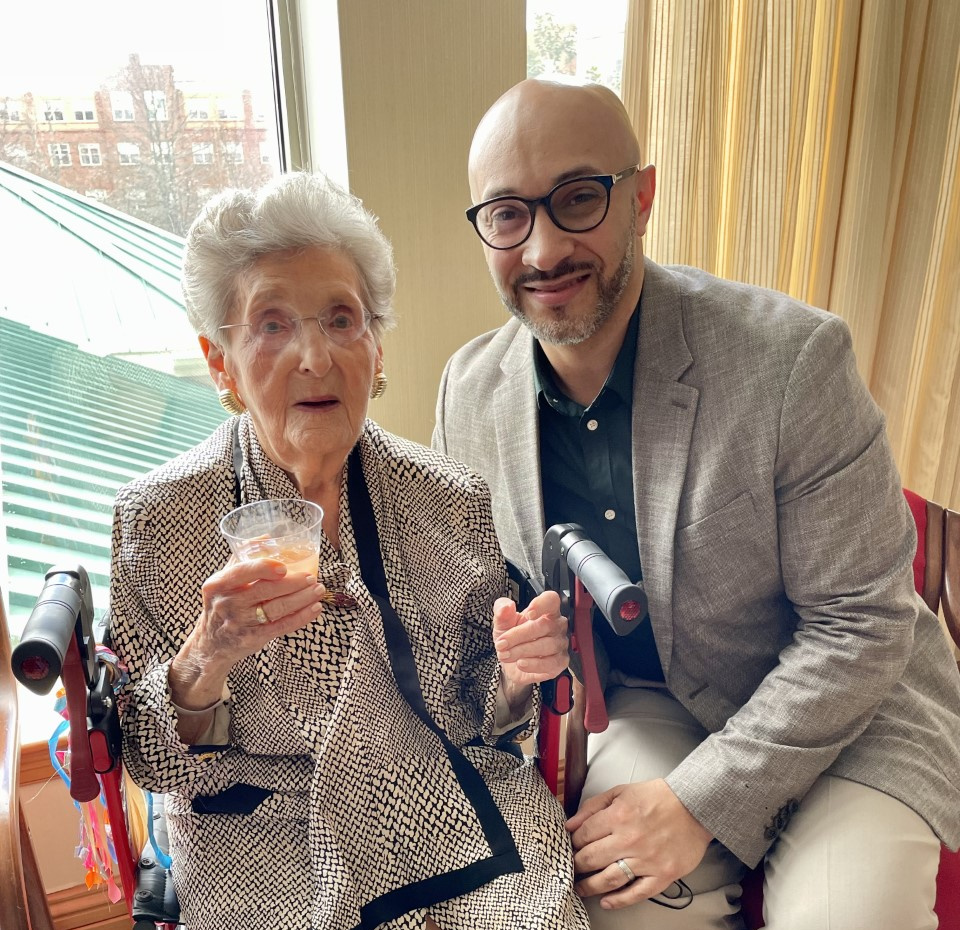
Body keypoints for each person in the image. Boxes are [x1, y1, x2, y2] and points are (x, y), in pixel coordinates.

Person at [433, 78, 960, 930]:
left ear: (641, 196)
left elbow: (863, 626)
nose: (541, 251)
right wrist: (511, 655)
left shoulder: (791, 360)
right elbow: (473, 630)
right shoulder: (468, 391)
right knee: (618, 913)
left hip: (856, 711)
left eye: (577, 199)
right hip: (656, 702)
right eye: (506, 214)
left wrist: (702, 803)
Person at [108, 171, 590, 930]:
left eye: (342, 318)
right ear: (219, 363)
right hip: (262, 827)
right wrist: (205, 659)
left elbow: (487, 713)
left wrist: (518, 670)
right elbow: (148, 756)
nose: (315, 356)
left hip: (440, 790)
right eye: (271, 324)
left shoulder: (448, 496)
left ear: (376, 346)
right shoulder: (159, 520)